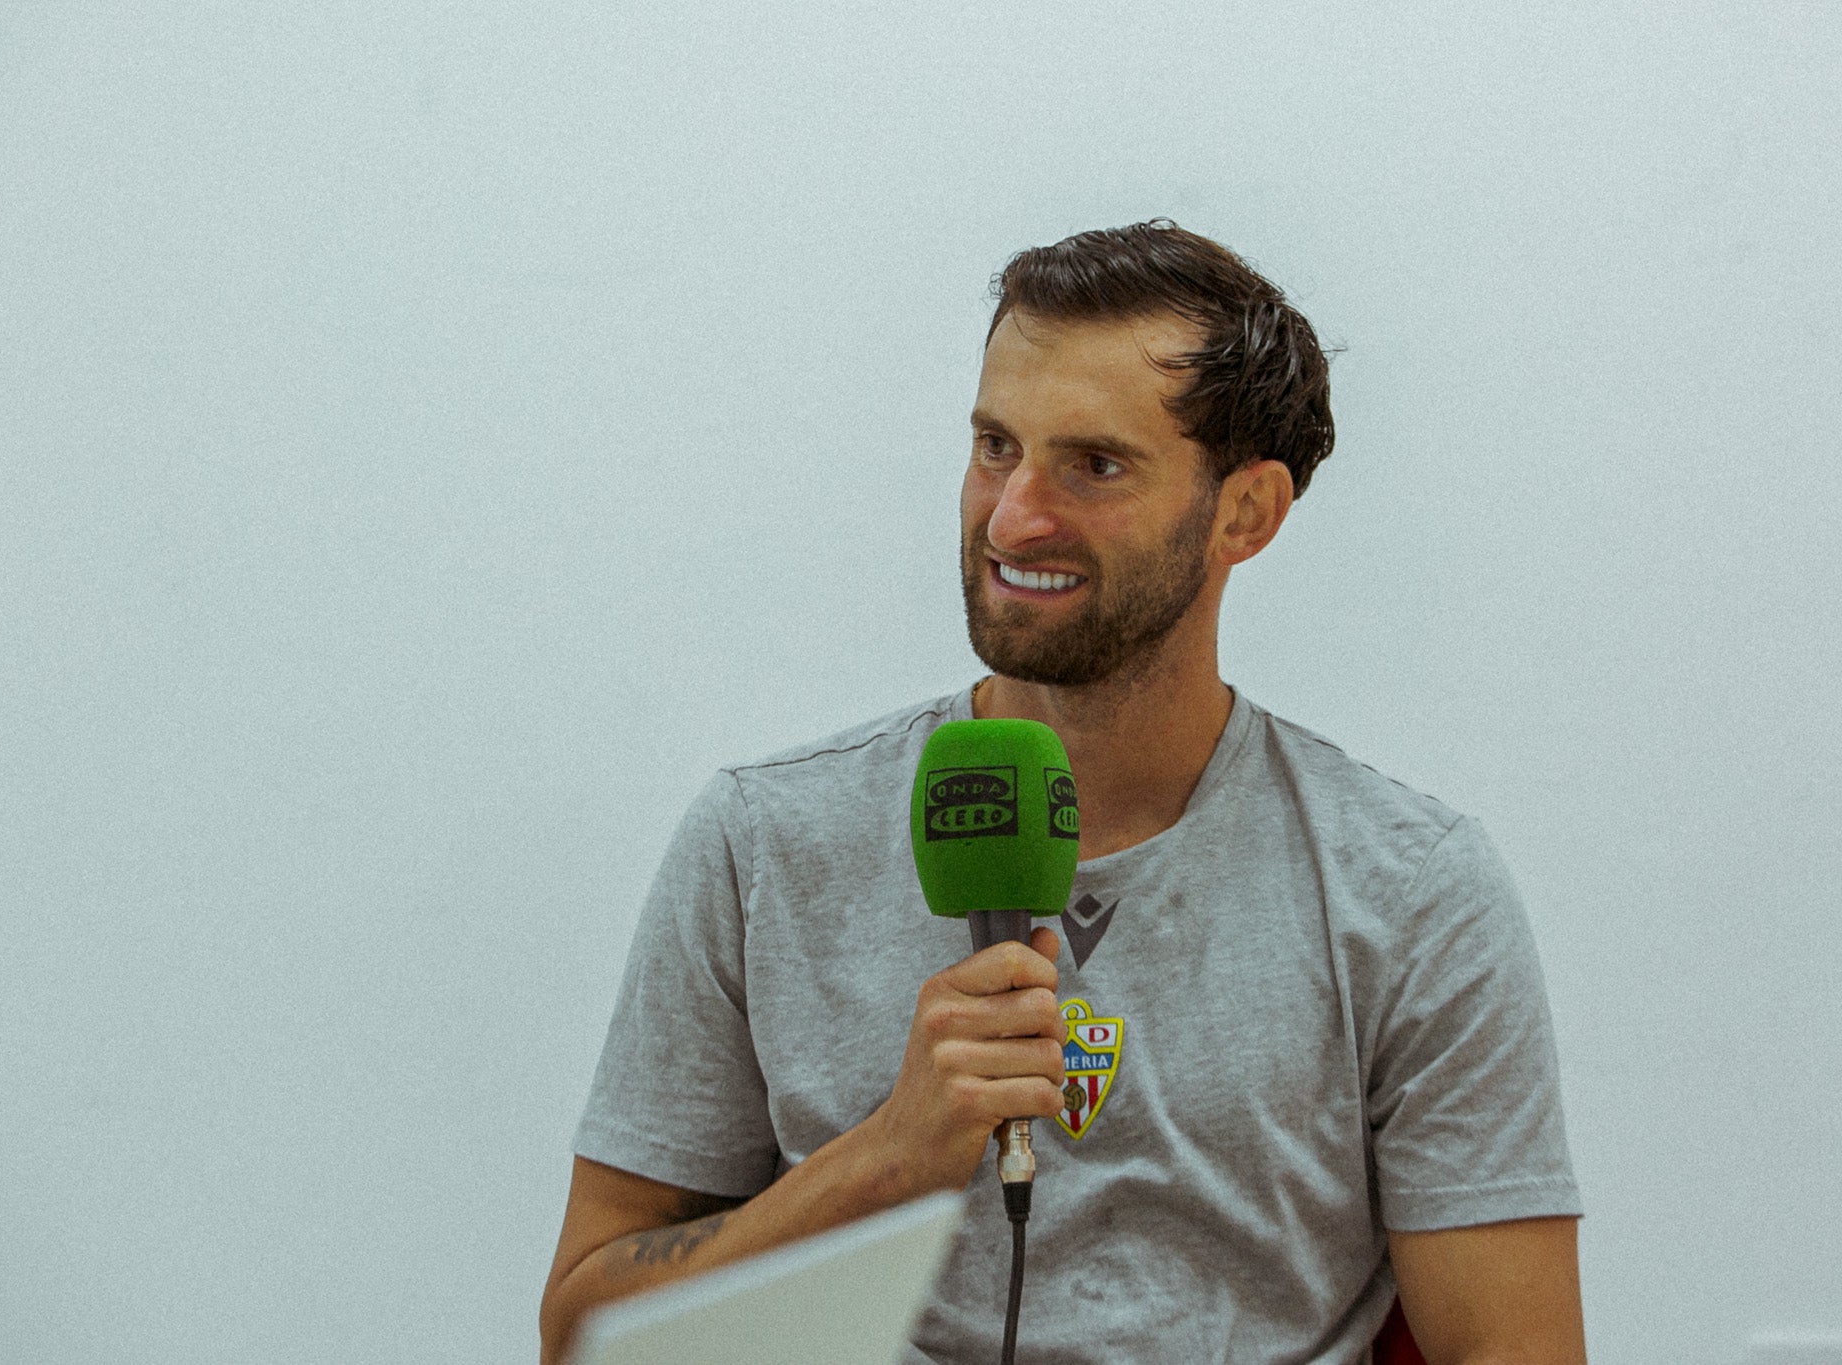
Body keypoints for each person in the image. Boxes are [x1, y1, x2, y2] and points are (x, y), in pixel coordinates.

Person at [539, 221, 1586, 1364]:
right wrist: (888, 1155)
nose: (1010, 517)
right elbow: (582, 1334)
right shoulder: (761, 842)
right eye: (995, 445)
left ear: (1246, 512)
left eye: (1092, 465)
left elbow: (1512, 1348)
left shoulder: (1413, 890)